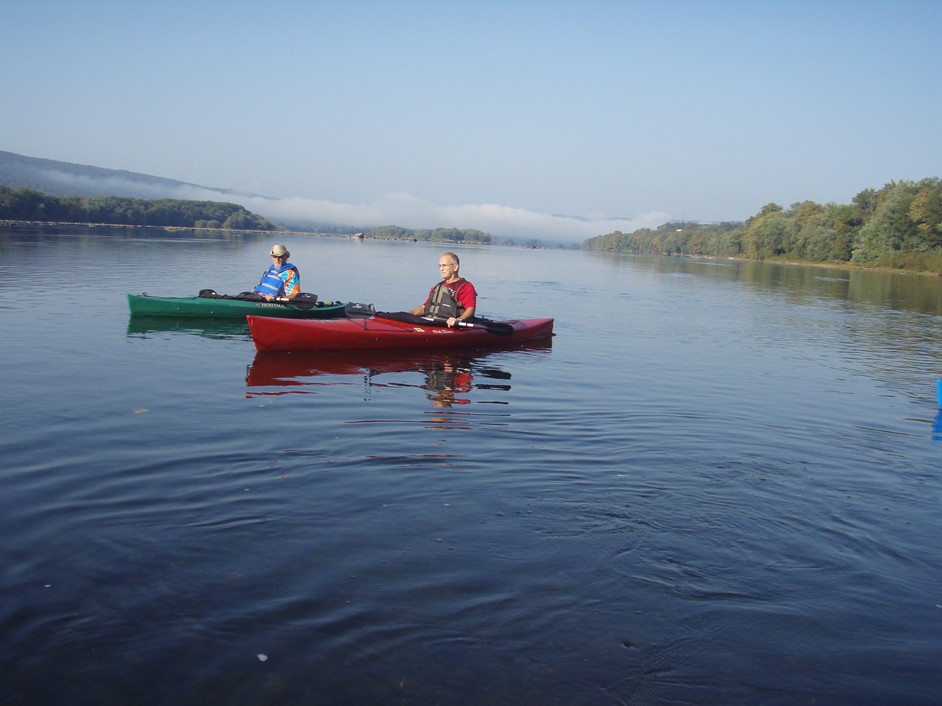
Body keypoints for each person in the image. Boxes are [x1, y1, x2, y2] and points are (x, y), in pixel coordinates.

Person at [410, 252, 477, 327]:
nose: (441, 269)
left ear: (455, 267)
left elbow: (470, 310)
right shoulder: (437, 287)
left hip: (449, 325)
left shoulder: (466, 286)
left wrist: (459, 319)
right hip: (431, 322)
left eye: (444, 265)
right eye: (440, 266)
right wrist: (409, 314)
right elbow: (424, 307)